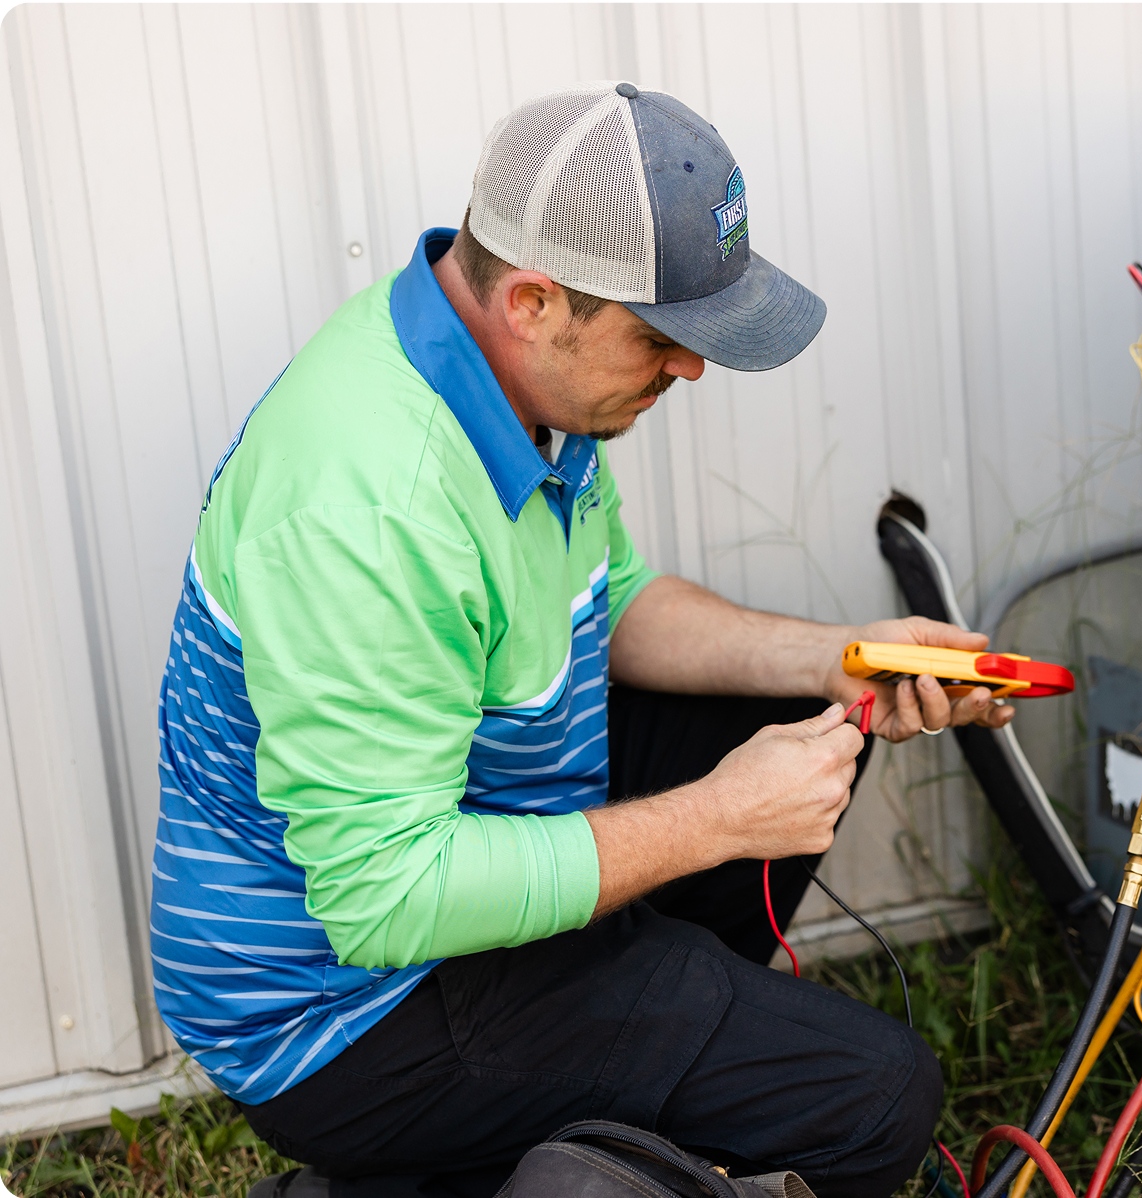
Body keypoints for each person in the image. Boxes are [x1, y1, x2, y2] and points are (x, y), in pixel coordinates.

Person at [150, 82, 1012, 1198]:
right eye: (662, 339)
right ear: (534, 300)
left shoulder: (511, 382)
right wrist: (715, 819)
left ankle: (603, 1102)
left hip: (456, 866)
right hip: (339, 1009)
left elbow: (617, 608)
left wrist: (848, 656)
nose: (691, 370)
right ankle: (513, 1152)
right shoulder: (371, 506)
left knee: (784, 720)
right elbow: (384, 900)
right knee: (872, 1101)